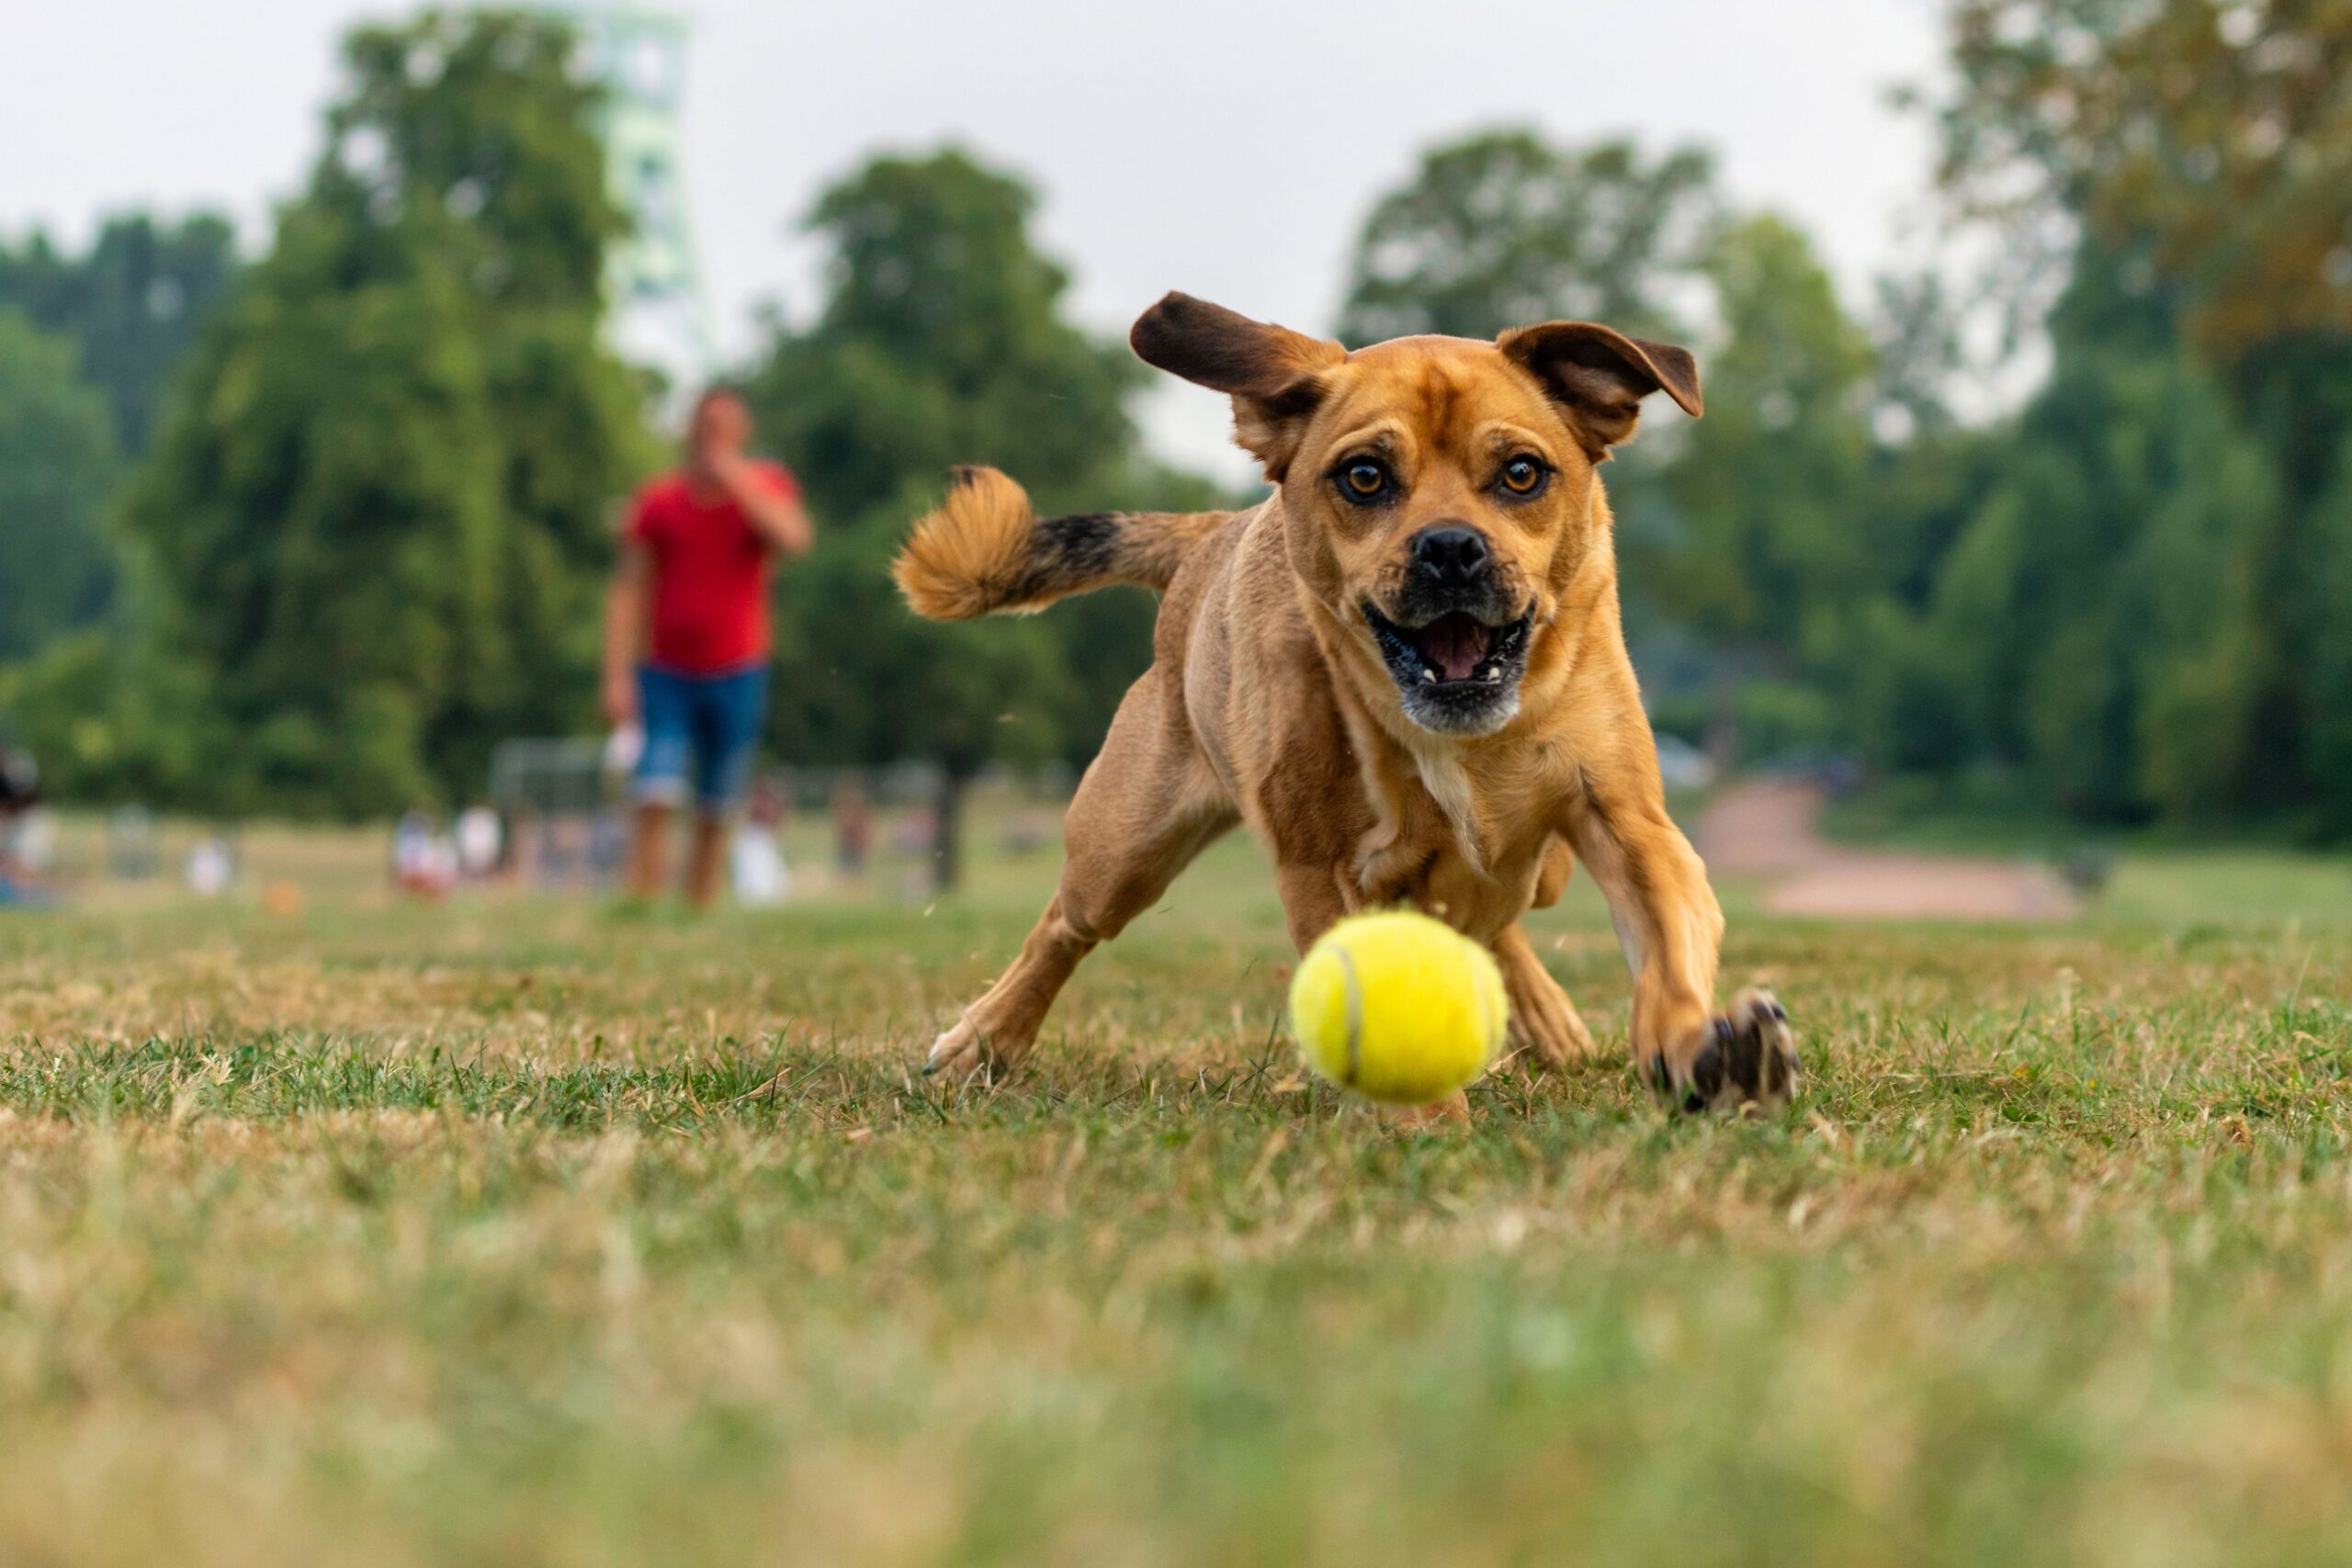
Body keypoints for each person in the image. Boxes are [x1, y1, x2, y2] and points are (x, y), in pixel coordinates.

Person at [603, 388, 814, 908]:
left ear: (742, 434)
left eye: (722, 429)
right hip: (665, 670)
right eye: (703, 428)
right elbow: (627, 589)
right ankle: (641, 901)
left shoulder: (765, 486)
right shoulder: (658, 501)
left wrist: (735, 479)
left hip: (739, 668)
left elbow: (794, 539)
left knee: (717, 801)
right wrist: (616, 676)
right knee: (654, 788)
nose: (710, 439)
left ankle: (699, 906)